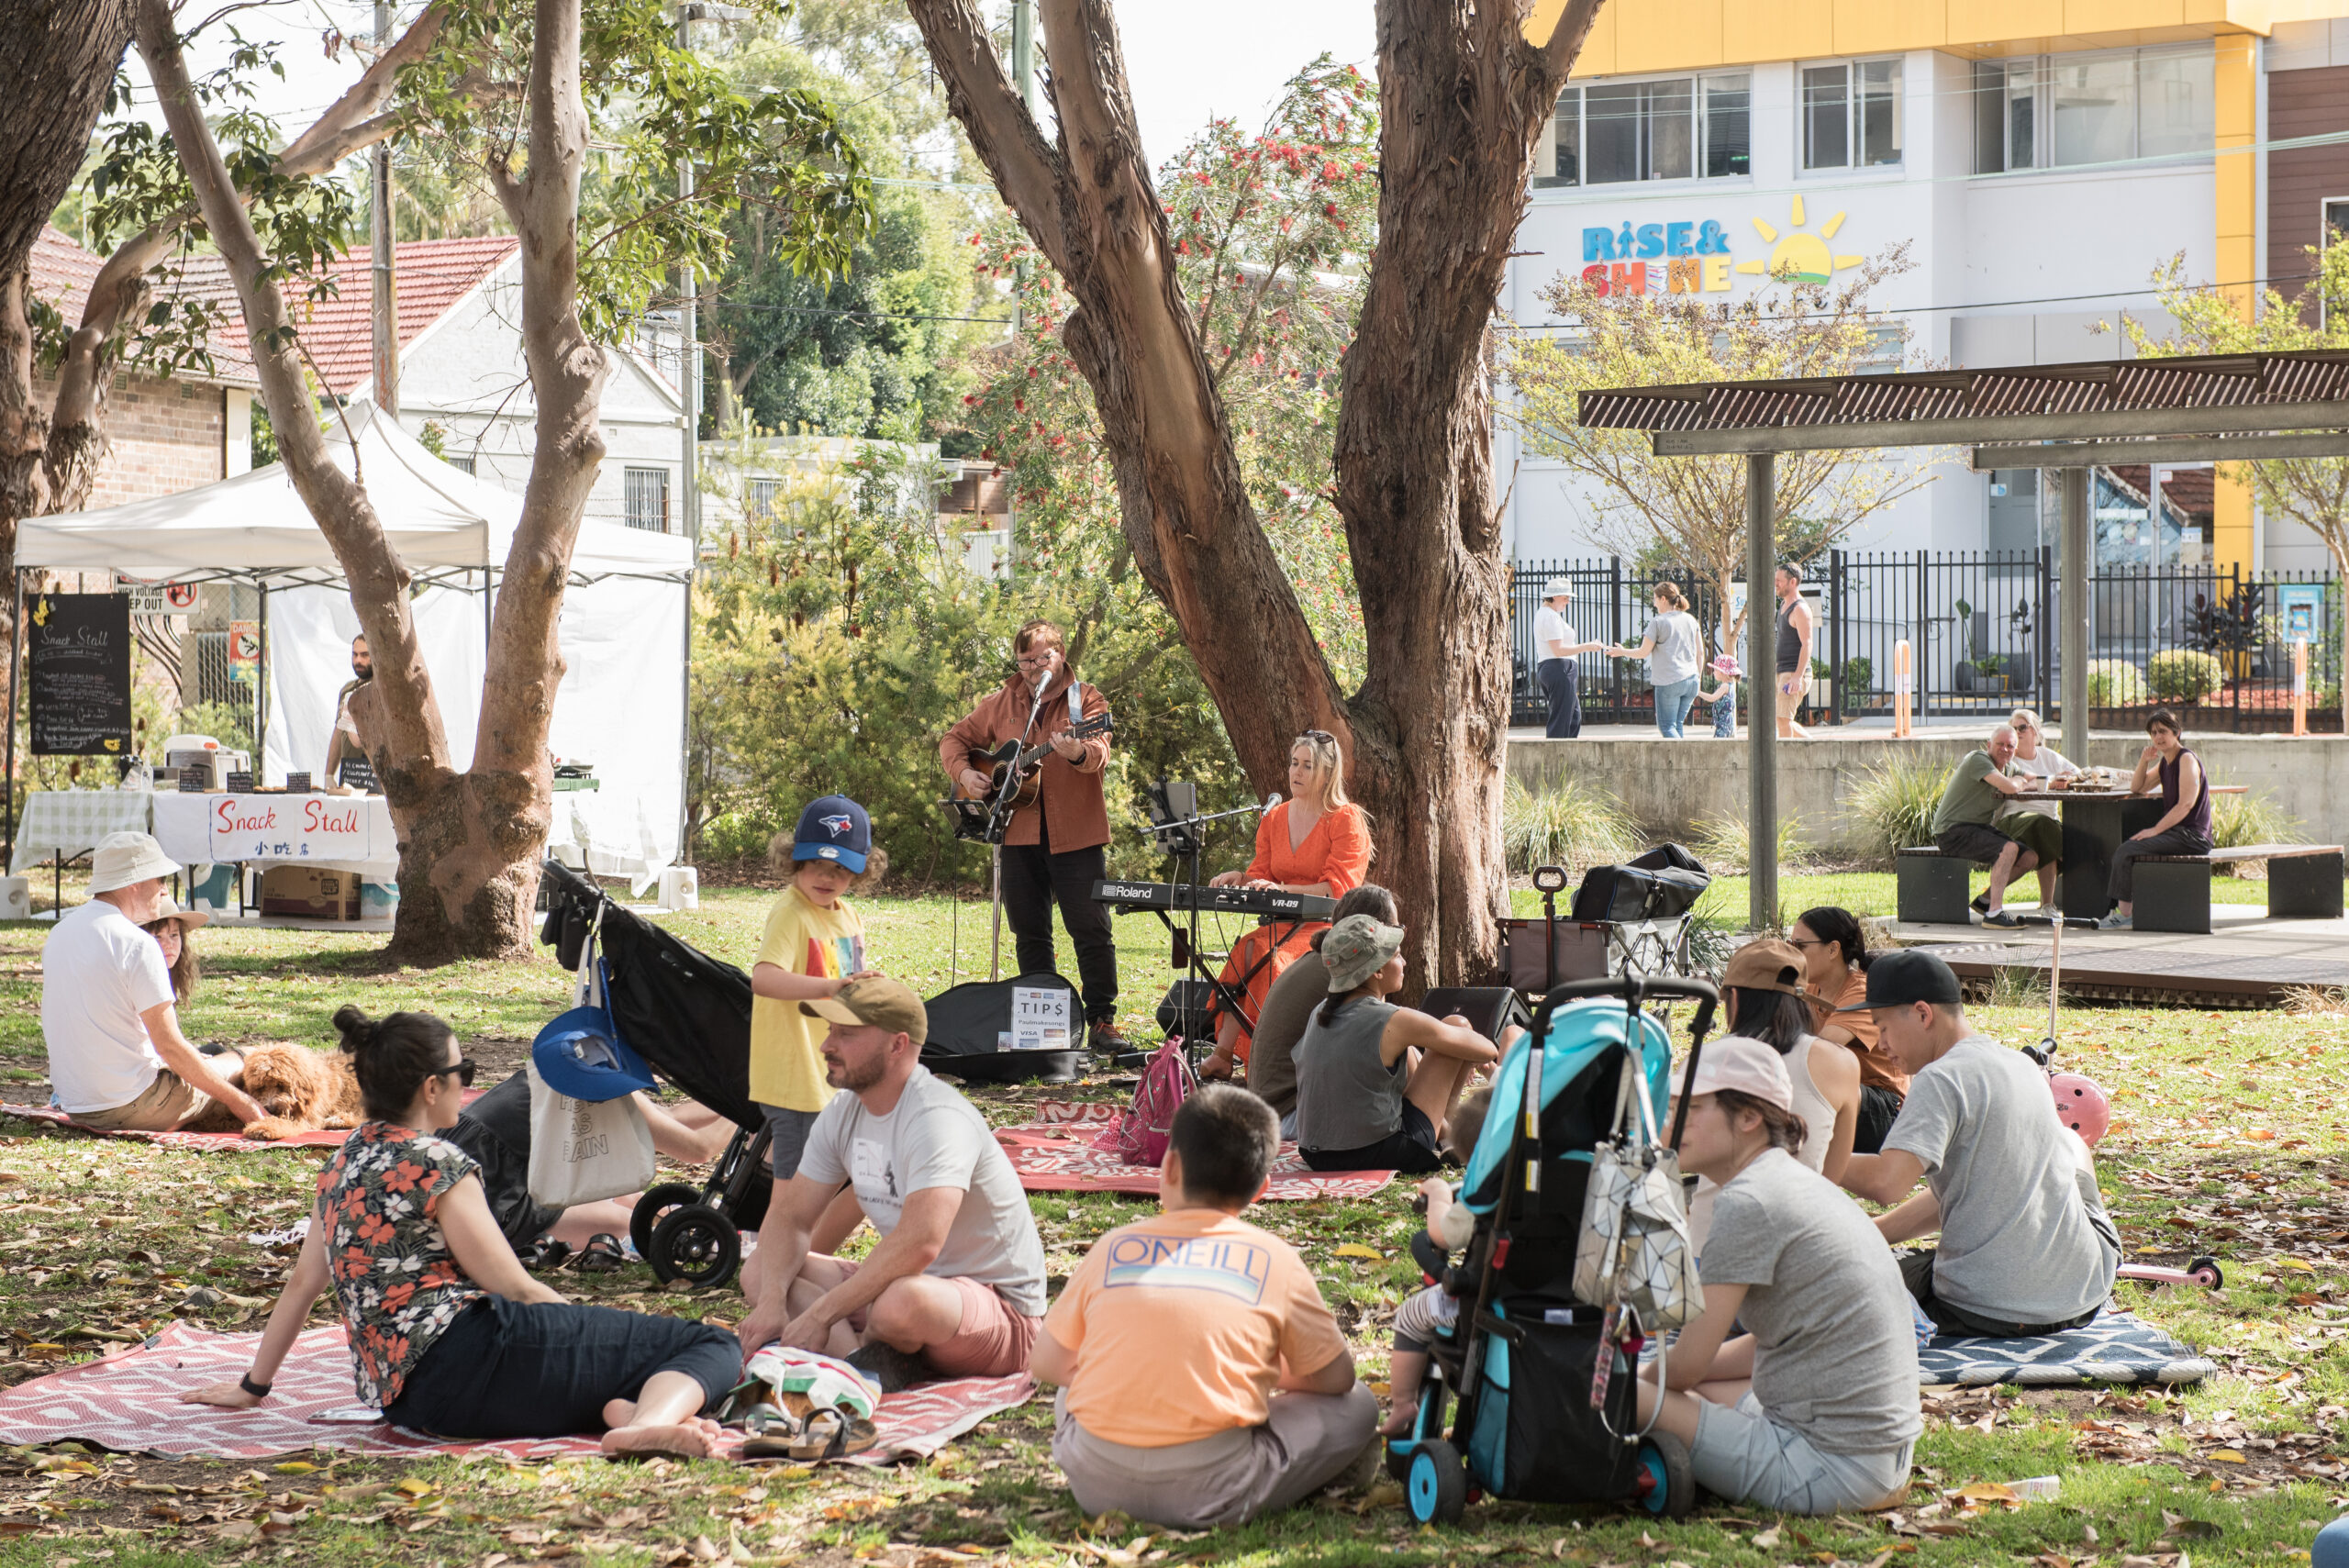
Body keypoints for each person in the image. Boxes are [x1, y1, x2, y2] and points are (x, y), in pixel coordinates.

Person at [181, 1006, 740, 1457]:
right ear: (431, 1088)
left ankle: (632, 1414)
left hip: (410, 1405)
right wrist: (583, 1324)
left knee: (624, 1366)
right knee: (710, 1346)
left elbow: (304, 1284)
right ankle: (643, 1425)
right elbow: (514, 1286)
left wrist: (252, 1387)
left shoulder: (340, 1163)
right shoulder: (438, 1162)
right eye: (462, 1073)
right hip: (473, 1360)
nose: (465, 1085)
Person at [1035, 1084, 1376, 1529]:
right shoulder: (1275, 1260)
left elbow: (1046, 1362)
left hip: (1096, 1484)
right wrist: (1248, 1370)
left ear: (1169, 1165)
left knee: (1073, 1387)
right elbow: (1336, 1379)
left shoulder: (1112, 1247)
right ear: (1262, 1188)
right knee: (1359, 1404)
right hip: (1214, 1489)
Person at [1634, 1037, 1920, 1515]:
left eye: (1692, 1108)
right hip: (1880, 1462)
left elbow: (1684, 1367)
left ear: (1749, 1118)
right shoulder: (1796, 1182)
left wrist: (1646, 1382)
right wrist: (1662, 1379)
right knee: (1681, 1390)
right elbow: (1773, 1340)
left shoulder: (1748, 1202)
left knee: (1614, 1395)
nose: (1671, 1123)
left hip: (1825, 1469)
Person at [737, 977, 1048, 1390]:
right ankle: (858, 1365)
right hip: (906, 1290)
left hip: (1002, 1314)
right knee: (761, 1269)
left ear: (897, 1045)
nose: (826, 1045)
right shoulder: (844, 1111)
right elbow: (791, 1218)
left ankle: (861, 1356)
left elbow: (921, 1243)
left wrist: (820, 1314)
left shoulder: (938, 1118)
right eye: (830, 1031)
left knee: (899, 1304)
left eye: (846, 1034)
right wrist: (773, 1302)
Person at [1837, 951, 2120, 1338]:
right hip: (2082, 1294)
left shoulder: (1940, 1078)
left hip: (1984, 1309)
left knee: (1834, 1281)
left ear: (1923, 1014)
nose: (1880, 1044)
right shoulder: (2021, 1065)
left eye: (1882, 1028)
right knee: (2070, 1143)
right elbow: (1970, 1189)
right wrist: (1873, 1233)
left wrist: (1808, 1156)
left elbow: (1887, 1183)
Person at [940, 619, 1123, 1051]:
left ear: (1061, 654)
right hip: (1017, 833)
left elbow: (1099, 750)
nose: (1034, 668)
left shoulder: (1086, 699)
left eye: (1043, 658)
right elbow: (953, 740)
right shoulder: (1002, 701)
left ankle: (1102, 1021)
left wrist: (1078, 751)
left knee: (1090, 929)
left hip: (1076, 835)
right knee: (1030, 932)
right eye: (1025, 662)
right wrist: (965, 773)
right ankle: (1042, 1027)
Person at [43, 832, 262, 1132]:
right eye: (160, 879)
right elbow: (169, 1047)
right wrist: (241, 1102)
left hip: (76, 1106)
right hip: (132, 1106)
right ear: (135, 882)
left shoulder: (59, 933)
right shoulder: (137, 943)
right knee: (244, 1059)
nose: (164, 890)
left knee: (210, 1056)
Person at [1199, 731, 1372, 1078]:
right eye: (1294, 763)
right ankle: (1223, 1055)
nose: (1297, 772)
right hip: (1279, 925)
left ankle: (1266, 1064)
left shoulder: (1345, 818)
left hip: (1324, 929)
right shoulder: (1275, 817)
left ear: (1327, 773)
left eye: (1308, 766)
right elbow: (1261, 875)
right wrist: (1240, 878)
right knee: (1247, 950)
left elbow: (1337, 889)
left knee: (1269, 957)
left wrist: (1281, 888)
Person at [1291, 914, 1503, 1173]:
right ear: (1377, 971)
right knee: (1457, 1025)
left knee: (1408, 1052)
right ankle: (1450, 1138)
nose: (1404, 962)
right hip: (1378, 1153)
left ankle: (1447, 1136)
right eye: (1397, 955)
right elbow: (1487, 1049)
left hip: (1316, 1154)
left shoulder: (1319, 1012)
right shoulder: (1391, 1019)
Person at [747, 795, 882, 1201]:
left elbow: (848, 986)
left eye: (841, 868)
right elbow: (763, 978)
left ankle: (800, 1237)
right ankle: (780, 1241)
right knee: (795, 1191)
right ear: (795, 859)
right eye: (816, 863)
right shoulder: (792, 913)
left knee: (829, 1180)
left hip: (832, 1073)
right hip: (796, 1077)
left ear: (860, 871)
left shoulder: (848, 916)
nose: (827, 877)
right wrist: (828, 987)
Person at [1211, 884, 1398, 1138]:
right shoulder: (1345, 973)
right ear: (1372, 931)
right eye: (1396, 929)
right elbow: (1390, 1047)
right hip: (1289, 1117)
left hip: (1273, 1111)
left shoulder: (1321, 961)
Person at [1375, 1086, 1491, 1437]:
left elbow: (1442, 1236)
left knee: (1412, 1314)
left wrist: (1440, 1194)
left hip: (1490, 1309)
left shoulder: (1486, 1190)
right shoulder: (1564, 1183)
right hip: (1567, 1305)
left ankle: (1403, 1403)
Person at [1788, 906, 1906, 1154]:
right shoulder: (1810, 987)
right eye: (1789, 945)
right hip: (1845, 1097)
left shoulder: (1862, 992)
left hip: (1885, 1109)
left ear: (1833, 949)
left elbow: (1817, 1054)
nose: (1792, 953)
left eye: (1800, 946)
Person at [2101, 708, 2212, 930]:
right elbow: (2137, 787)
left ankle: (2124, 915)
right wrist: (2144, 760)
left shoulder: (2186, 759)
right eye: (2153, 733)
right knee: (2128, 847)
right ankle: (2125, 911)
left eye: (2163, 731)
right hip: (2177, 834)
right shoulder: (2165, 763)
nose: (2158, 737)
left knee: (2127, 850)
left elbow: (2186, 805)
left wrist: (2155, 830)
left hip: (2193, 837)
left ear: (2176, 732)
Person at [1929, 724, 2045, 926]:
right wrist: (2018, 783)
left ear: (2015, 750)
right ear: (1989, 745)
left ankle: (1985, 901)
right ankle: (1994, 914)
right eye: (2000, 744)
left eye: (2010, 746)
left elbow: (2038, 781)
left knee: (2029, 857)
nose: (2005, 749)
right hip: (1951, 830)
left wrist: (2022, 782)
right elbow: (2009, 787)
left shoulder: (2009, 768)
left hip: (1976, 828)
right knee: (2009, 848)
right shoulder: (1978, 759)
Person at [1608, 582, 1705, 738]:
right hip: (1691, 679)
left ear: (1663, 599)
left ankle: (1683, 755)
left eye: (1655, 599)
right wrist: (1698, 677)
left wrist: (1622, 651)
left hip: (1669, 681)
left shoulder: (1658, 622)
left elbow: (1643, 652)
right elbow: (1700, 653)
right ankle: (1681, 754)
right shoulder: (1691, 620)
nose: (1654, 604)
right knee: (1677, 725)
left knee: (1667, 727)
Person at [1531, 578, 1605, 740]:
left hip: (1554, 668)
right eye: (1565, 598)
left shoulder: (1546, 614)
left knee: (1572, 717)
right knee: (1562, 720)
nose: (1568, 602)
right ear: (1555, 596)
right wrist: (1588, 646)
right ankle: (1557, 754)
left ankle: (1565, 753)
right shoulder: (1550, 617)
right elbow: (1558, 650)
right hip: (1559, 668)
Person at [324, 634, 376, 791]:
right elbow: (339, 731)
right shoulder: (347, 690)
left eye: (365, 655)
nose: (358, 660)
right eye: (355, 654)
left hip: (374, 778)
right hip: (350, 776)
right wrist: (329, 775)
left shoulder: (381, 689)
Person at [1771, 562, 1814, 740]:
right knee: (1781, 718)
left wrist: (1797, 676)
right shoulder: (1783, 606)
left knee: (1783, 719)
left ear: (1793, 582)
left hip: (1793, 673)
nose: (1775, 583)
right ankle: (1812, 745)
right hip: (1783, 671)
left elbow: (1807, 643)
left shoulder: (1800, 609)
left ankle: (1785, 756)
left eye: (1779, 580)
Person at [140, 895, 206, 1006]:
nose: (169, 944)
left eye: (174, 935)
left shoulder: (167, 975)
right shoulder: (142, 982)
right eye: (157, 937)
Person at [1700, 652, 1741, 739]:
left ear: (1723, 672)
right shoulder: (1730, 685)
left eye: (1715, 670)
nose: (1713, 672)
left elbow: (1712, 698)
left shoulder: (1725, 686)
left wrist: (1698, 693)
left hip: (1724, 725)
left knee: (1718, 744)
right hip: (1727, 724)